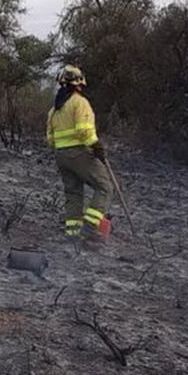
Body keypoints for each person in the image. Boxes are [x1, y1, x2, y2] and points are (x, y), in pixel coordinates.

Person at [46, 64, 112, 243]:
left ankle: (73, 232)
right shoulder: (80, 103)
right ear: (78, 84)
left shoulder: (55, 110)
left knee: (73, 193)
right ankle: (90, 228)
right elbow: (84, 130)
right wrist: (96, 145)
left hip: (61, 156)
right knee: (104, 187)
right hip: (79, 153)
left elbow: (50, 138)